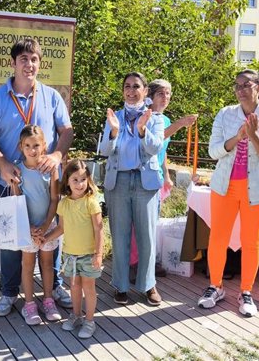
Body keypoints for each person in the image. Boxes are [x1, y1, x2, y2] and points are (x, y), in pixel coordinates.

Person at [0, 38, 75, 317]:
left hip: (47, 184)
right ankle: (10, 292)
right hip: (11, 184)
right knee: (13, 242)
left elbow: (66, 131)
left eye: (34, 59)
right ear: (13, 63)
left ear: (40, 63)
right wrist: (2, 163)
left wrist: (57, 156)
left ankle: (55, 288)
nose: (29, 64)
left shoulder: (51, 96)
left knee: (49, 237)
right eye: (24, 59)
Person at [197, 69, 259, 317]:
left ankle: (246, 292)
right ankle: (215, 287)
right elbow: (213, 152)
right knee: (218, 238)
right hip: (224, 186)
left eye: (245, 85)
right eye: (236, 85)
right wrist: (237, 138)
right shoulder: (225, 114)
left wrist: (254, 135)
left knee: (251, 242)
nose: (239, 90)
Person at [99, 72, 165, 306]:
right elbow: (105, 150)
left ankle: (148, 285)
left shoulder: (154, 118)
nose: (131, 90)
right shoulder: (113, 117)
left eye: (136, 86)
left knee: (147, 236)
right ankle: (120, 285)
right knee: (120, 235)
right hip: (119, 183)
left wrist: (142, 130)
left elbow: (156, 148)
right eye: (127, 86)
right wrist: (114, 132)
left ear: (145, 91)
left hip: (144, 182)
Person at [128, 79, 198, 280]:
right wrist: (180, 124)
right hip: (140, 175)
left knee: (152, 221)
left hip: (155, 176)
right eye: (161, 93)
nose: (165, 97)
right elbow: (154, 142)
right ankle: (133, 262)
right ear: (150, 95)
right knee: (137, 222)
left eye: (168, 94)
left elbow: (162, 151)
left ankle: (147, 260)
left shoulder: (165, 120)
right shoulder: (144, 116)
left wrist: (166, 174)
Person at [43, 159, 104, 339]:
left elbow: (99, 229)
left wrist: (99, 254)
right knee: (74, 286)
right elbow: (61, 228)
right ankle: (76, 315)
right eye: (75, 180)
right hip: (70, 255)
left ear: (88, 180)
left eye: (83, 179)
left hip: (89, 255)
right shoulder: (63, 204)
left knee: (89, 287)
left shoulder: (91, 202)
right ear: (67, 181)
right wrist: (45, 239)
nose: (79, 184)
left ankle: (90, 320)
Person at [14, 125, 62, 325]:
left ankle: (49, 300)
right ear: (21, 147)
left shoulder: (51, 170)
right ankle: (29, 304)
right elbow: (17, 200)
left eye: (36, 145)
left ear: (44, 146)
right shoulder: (18, 170)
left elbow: (54, 199)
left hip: (47, 226)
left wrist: (45, 225)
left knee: (47, 264)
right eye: (27, 146)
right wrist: (30, 228)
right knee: (27, 265)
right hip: (27, 228)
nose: (32, 150)